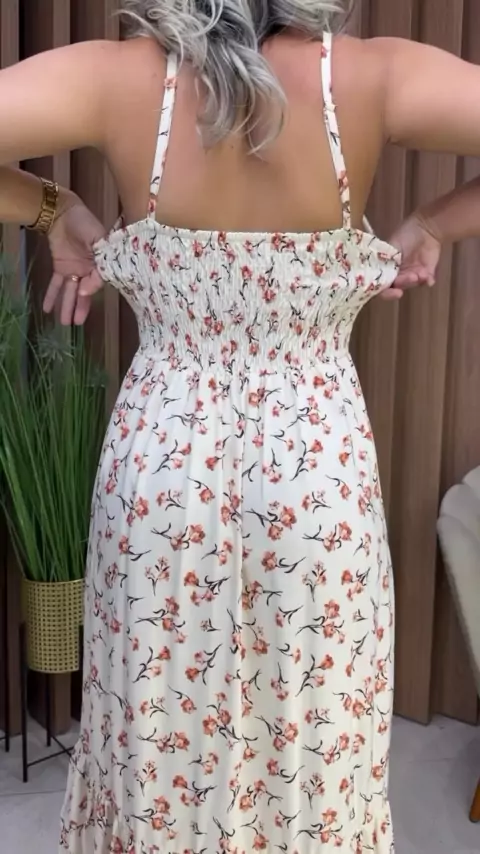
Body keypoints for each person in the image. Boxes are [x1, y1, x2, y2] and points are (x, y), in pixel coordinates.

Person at [1, 2, 480, 851]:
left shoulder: (117, 78)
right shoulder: (371, 76)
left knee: (162, 741)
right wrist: (435, 221)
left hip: (163, 476)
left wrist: (53, 207)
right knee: (306, 740)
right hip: (315, 481)